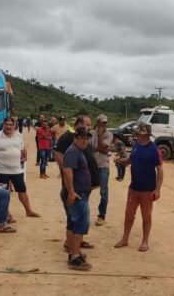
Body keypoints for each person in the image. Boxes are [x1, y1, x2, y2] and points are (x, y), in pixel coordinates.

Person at [114, 123, 163, 252]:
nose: (136, 135)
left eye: (139, 134)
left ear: (145, 135)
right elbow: (130, 160)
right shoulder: (136, 146)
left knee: (146, 216)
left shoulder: (154, 150)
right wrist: (121, 161)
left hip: (147, 189)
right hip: (134, 188)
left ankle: (145, 241)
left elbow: (160, 170)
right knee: (129, 215)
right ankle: (125, 238)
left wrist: (157, 189)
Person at [55, 115, 98, 251]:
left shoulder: (80, 144)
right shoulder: (69, 139)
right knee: (76, 219)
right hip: (76, 190)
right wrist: (70, 186)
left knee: (76, 219)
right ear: (78, 125)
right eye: (87, 124)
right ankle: (73, 250)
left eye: (87, 138)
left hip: (81, 188)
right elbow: (58, 155)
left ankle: (75, 243)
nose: (85, 139)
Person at [0, 117, 40, 219]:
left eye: (11, 124)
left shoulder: (19, 136)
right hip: (1, 170)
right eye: (7, 124)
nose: (9, 126)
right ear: (3, 125)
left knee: (22, 190)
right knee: (3, 193)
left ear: (14, 125)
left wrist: (24, 158)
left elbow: (22, 148)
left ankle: (29, 211)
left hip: (16, 169)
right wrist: (1, 159)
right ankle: (6, 215)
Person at [61, 127, 94, 271]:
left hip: (78, 193)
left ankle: (73, 253)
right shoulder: (73, 151)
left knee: (73, 224)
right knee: (80, 224)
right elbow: (67, 172)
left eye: (87, 138)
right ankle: (75, 257)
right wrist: (72, 192)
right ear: (76, 137)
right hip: (77, 194)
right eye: (82, 137)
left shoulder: (76, 151)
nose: (85, 140)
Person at [92, 114, 114, 226]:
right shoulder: (91, 133)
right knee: (86, 189)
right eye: (102, 122)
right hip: (92, 165)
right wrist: (103, 149)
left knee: (103, 191)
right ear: (97, 122)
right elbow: (94, 148)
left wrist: (100, 137)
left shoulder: (109, 134)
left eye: (105, 122)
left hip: (103, 165)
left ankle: (102, 216)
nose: (104, 124)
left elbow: (101, 147)